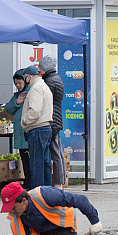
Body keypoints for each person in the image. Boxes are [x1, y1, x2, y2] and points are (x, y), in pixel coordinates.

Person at [21, 65, 53, 189]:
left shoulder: (36, 88)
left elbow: (34, 111)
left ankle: (37, 195)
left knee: (36, 164)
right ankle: (47, 193)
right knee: (45, 163)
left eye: (25, 78)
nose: (25, 81)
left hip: (37, 129)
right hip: (45, 128)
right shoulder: (44, 86)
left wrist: (24, 122)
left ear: (28, 77)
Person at [39, 55, 66, 188]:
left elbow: (45, 102)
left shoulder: (49, 81)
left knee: (55, 154)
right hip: (57, 119)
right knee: (58, 153)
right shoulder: (57, 79)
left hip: (51, 120)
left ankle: (58, 184)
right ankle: (60, 183)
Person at [3, 69, 31, 188]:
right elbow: (8, 109)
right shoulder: (16, 95)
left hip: (28, 133)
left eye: (20, 83)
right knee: (25, 163)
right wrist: (17, 102)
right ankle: (28, 184)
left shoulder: (31, 93)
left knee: (30, 164)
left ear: (25, 81)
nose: (18, 86)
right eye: (16, 84)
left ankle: (30, 186)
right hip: (20, 135)